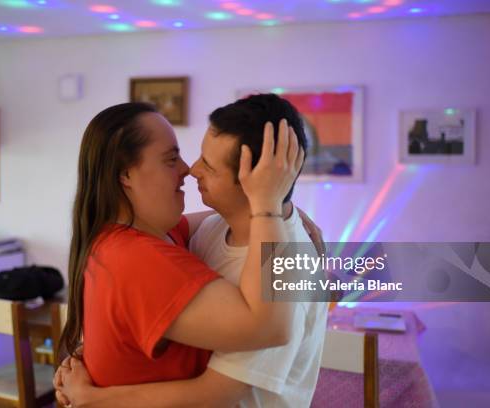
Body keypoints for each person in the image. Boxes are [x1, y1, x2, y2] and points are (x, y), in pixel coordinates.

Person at [56, 94, 328, 407]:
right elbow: (266, 328)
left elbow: (219, 392)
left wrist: (282, 207)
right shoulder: (151, 249)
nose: (191, 169)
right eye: (172, 159)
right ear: (125, 175)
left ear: (254, 183)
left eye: (208, 166)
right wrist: (273, 206)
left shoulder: (283, 261)